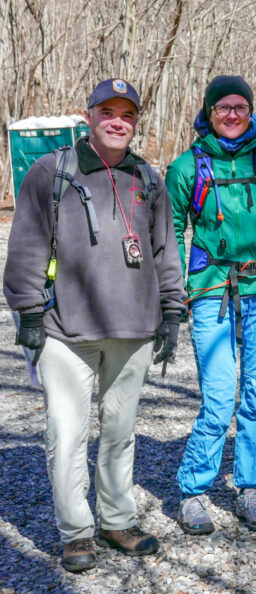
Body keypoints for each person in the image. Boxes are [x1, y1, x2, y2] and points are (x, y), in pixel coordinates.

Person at [3, 79, 185, 572]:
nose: (117, 121)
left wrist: (171, 313)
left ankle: (116, 520)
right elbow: (26, 246)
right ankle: (76, 532)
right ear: (89, 116)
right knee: (66, 434)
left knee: (120, 432)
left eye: (126, 114)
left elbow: (166, 251)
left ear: (135, 122)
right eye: (107, 111)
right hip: (67, 332)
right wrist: (29, 313)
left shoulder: (148, 178)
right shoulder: (52, 171)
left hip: (134, 331)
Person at [166, 76, 256, 535]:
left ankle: (249, 487)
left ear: (251, 111)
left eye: (240, 107)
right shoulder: (187, 166)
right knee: (220, 397)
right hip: (210, 291)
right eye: (223, 107)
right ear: (209, 111)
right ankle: (194, 490)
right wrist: (174, 294)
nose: (232, 115)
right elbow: (170, 236)